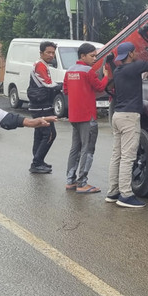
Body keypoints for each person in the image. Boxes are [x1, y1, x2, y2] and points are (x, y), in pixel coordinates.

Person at [107, 42, 148, 208]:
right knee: (128, 157)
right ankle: (126, 195)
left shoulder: (119, 70)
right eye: (134, 52)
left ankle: (113, 192)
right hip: (129, 117)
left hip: (118, 116)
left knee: (117, 155)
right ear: (130, 54)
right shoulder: (134, 67)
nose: (136, 53)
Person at [63, 43, 111, 194]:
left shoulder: (69, 71)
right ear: (82, 56)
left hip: (74, 115)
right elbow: (100, 87)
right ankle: (82, 183)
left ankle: (70, 181)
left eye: (96, 55)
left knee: (75, 148)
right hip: (87, 116)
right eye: (92, 56)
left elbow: (65, 90)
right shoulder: (88, 71)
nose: (95, 58)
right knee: (87, 149)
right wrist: (107, 76)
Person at [27, 41, 62, 173]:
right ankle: (36, 163)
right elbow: (48, 84)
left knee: (40, 133)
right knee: (50, 134)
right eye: (48, 52)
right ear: (41, 53)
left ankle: (38, 160)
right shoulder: (40, 65)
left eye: (53, 52)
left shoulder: (42, 64)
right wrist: (63, 85)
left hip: (38, 104)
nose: (51, 55)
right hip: (41, 105)